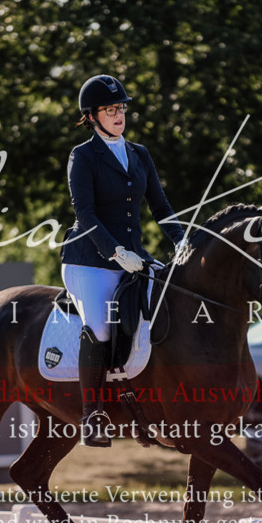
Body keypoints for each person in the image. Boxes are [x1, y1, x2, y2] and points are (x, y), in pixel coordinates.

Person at [61, 74, 185, 447]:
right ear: (92, 116)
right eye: (111, 110)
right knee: (100, 326)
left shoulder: (139, 154)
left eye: (122, 109)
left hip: (135, 257)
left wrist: (181, 241)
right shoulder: (82, 156)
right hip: (90, 260)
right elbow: (85, 212)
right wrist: (115, 251)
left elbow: (160, 206)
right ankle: (92, 416)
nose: (119, 115)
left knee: (173, 305)